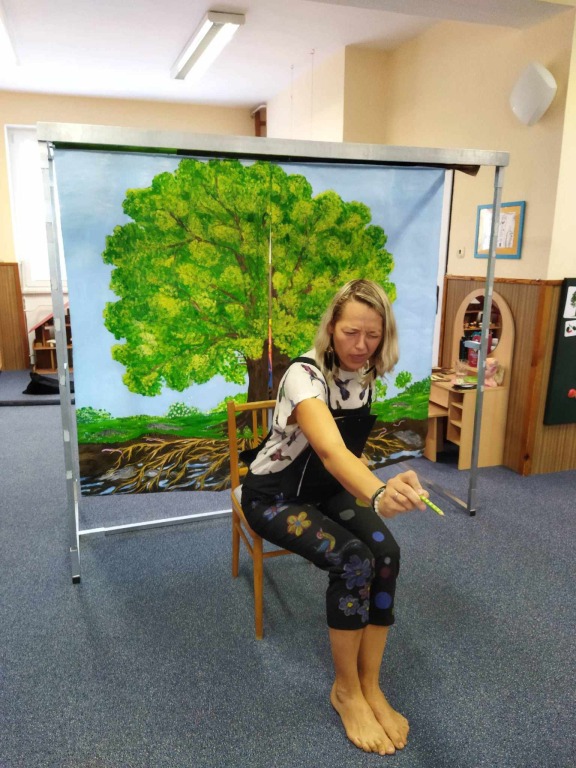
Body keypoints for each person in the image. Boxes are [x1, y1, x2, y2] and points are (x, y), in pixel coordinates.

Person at [241, 279, 428, 756]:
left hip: (326, 490)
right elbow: (328, 449)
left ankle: (370, 684)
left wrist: (385, 484)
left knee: (386, 553)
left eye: (373, 335)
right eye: (351, 333)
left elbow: (348, 454)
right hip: (273, 497)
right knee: (353, 560)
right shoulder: (304, 376)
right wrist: (379, 493)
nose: (361, 345)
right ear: (331, 328)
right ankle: (346, 692)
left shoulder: (364, 376)